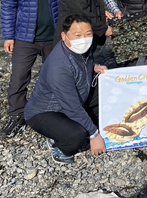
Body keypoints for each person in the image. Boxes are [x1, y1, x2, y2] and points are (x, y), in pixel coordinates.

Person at [0, 0, 70, 138]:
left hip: (55, 37)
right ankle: (16, 115)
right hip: (24, 38)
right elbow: (8, 7)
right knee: (19, 78)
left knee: (57, 77)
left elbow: (73, 0)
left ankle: (55, 112)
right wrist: (8, 36)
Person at [25, 15, 107, 164]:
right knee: (77, 136)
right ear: (63, 36)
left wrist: (92, 67)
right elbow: (72, 108)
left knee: (105, 94)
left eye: (88, 34)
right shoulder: (58, 67)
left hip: (74, 98)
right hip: (45, 111)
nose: (84, 39)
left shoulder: (81, 48)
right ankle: (56, 143)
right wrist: (95, 136)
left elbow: (80, 63)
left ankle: (77, 126)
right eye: (77, 35)